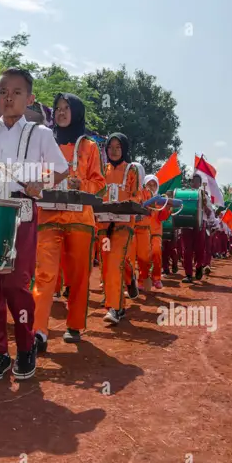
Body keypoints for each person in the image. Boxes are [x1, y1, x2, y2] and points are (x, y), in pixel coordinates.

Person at [0, 68, 68, 380]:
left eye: (16, 92)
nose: (9, 97)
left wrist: (41, 185)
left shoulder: (40, 134)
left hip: (21, 212)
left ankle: (24, 347)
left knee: (15, 285)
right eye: (3, 91)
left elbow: (60, 168)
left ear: (29, 99)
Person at [33, 93, 105, 349]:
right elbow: (34, 174)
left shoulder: (89, 146)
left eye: (66, 108)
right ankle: (38, 330)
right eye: (57, 109)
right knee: (44, 274)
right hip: (48, 215)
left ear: (76, 113)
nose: (61, 113)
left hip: (80, 218)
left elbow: (99, 184)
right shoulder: (44, 141)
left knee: (78, 276)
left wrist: (80, 183)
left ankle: (74, 324)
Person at [96, 133, 140, 324]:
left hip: (123, 224)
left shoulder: (131, 170)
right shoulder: (100, 170)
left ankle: (114, 307)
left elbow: (137, 197)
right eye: (110, 147)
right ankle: (128, 281)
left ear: (124, 149)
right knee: (107, 262)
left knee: (115, 261)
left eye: (118, 147)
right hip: (104, 225)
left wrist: (124, 204)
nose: (113, 151)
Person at [181, 174, 213, 283]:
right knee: (187, 250)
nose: (194, 183)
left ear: (200, 183)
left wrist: (204, 205)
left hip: (200, 224)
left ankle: (199, 266)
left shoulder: (204, 195)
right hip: (186, 224)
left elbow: (210, 213)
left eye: (196, 181)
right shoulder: (184, 194)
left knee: (200, 249)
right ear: (190, 183)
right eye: (192, 181)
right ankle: (188, 274)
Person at [143, 174, 172, 289]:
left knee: (156, 252)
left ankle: (156, 278)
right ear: (144, 185)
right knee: (143, 256)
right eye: (149, 184)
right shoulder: (141, 198)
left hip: (155, 232)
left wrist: (168, 207)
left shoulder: (160, 200)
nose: (151, 186)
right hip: (142, 231)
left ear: (157, 186)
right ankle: (142, 279)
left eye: (154, 184)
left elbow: (162, 217)